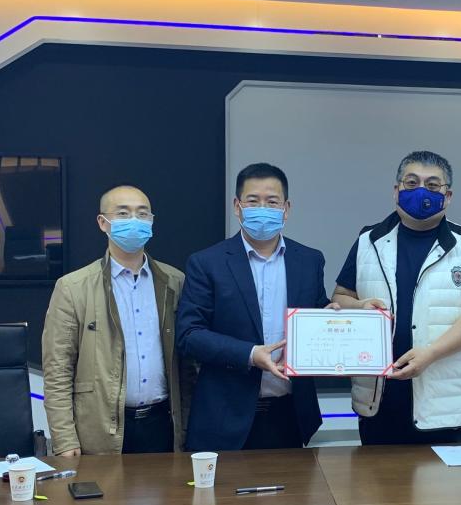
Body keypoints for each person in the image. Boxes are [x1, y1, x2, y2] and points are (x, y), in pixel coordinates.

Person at [333, 151, 461, 445]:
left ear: (447, 196)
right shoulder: (368, 241)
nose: (421, 191)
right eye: (412, 183)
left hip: (447, 406)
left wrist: (430, 354)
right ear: (396, 190)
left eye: (432, 185)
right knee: (375, 477)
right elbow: (340, 297)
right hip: (378, 402)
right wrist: (359, 306)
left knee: (448, 478)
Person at [176, 163, 331, 450]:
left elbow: (316, 316)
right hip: (224, 417)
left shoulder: (309, 261)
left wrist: (343, 316)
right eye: (253, 201)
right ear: (237, 207)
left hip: (291, 414)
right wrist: (250, 354)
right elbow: (189, 335)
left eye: (272, 202)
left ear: (286, 208)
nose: (263, 209)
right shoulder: (207, 263)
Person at [43, 185, 191, 456]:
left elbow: (187, 366)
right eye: (123, 213)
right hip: (101, 430)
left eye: (142, 214)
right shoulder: (73, 287)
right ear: (103, 223)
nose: (134, 221)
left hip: (163, 425)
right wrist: (64, 439)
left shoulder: (175, 282)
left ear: (151, 222)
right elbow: (57, 370)